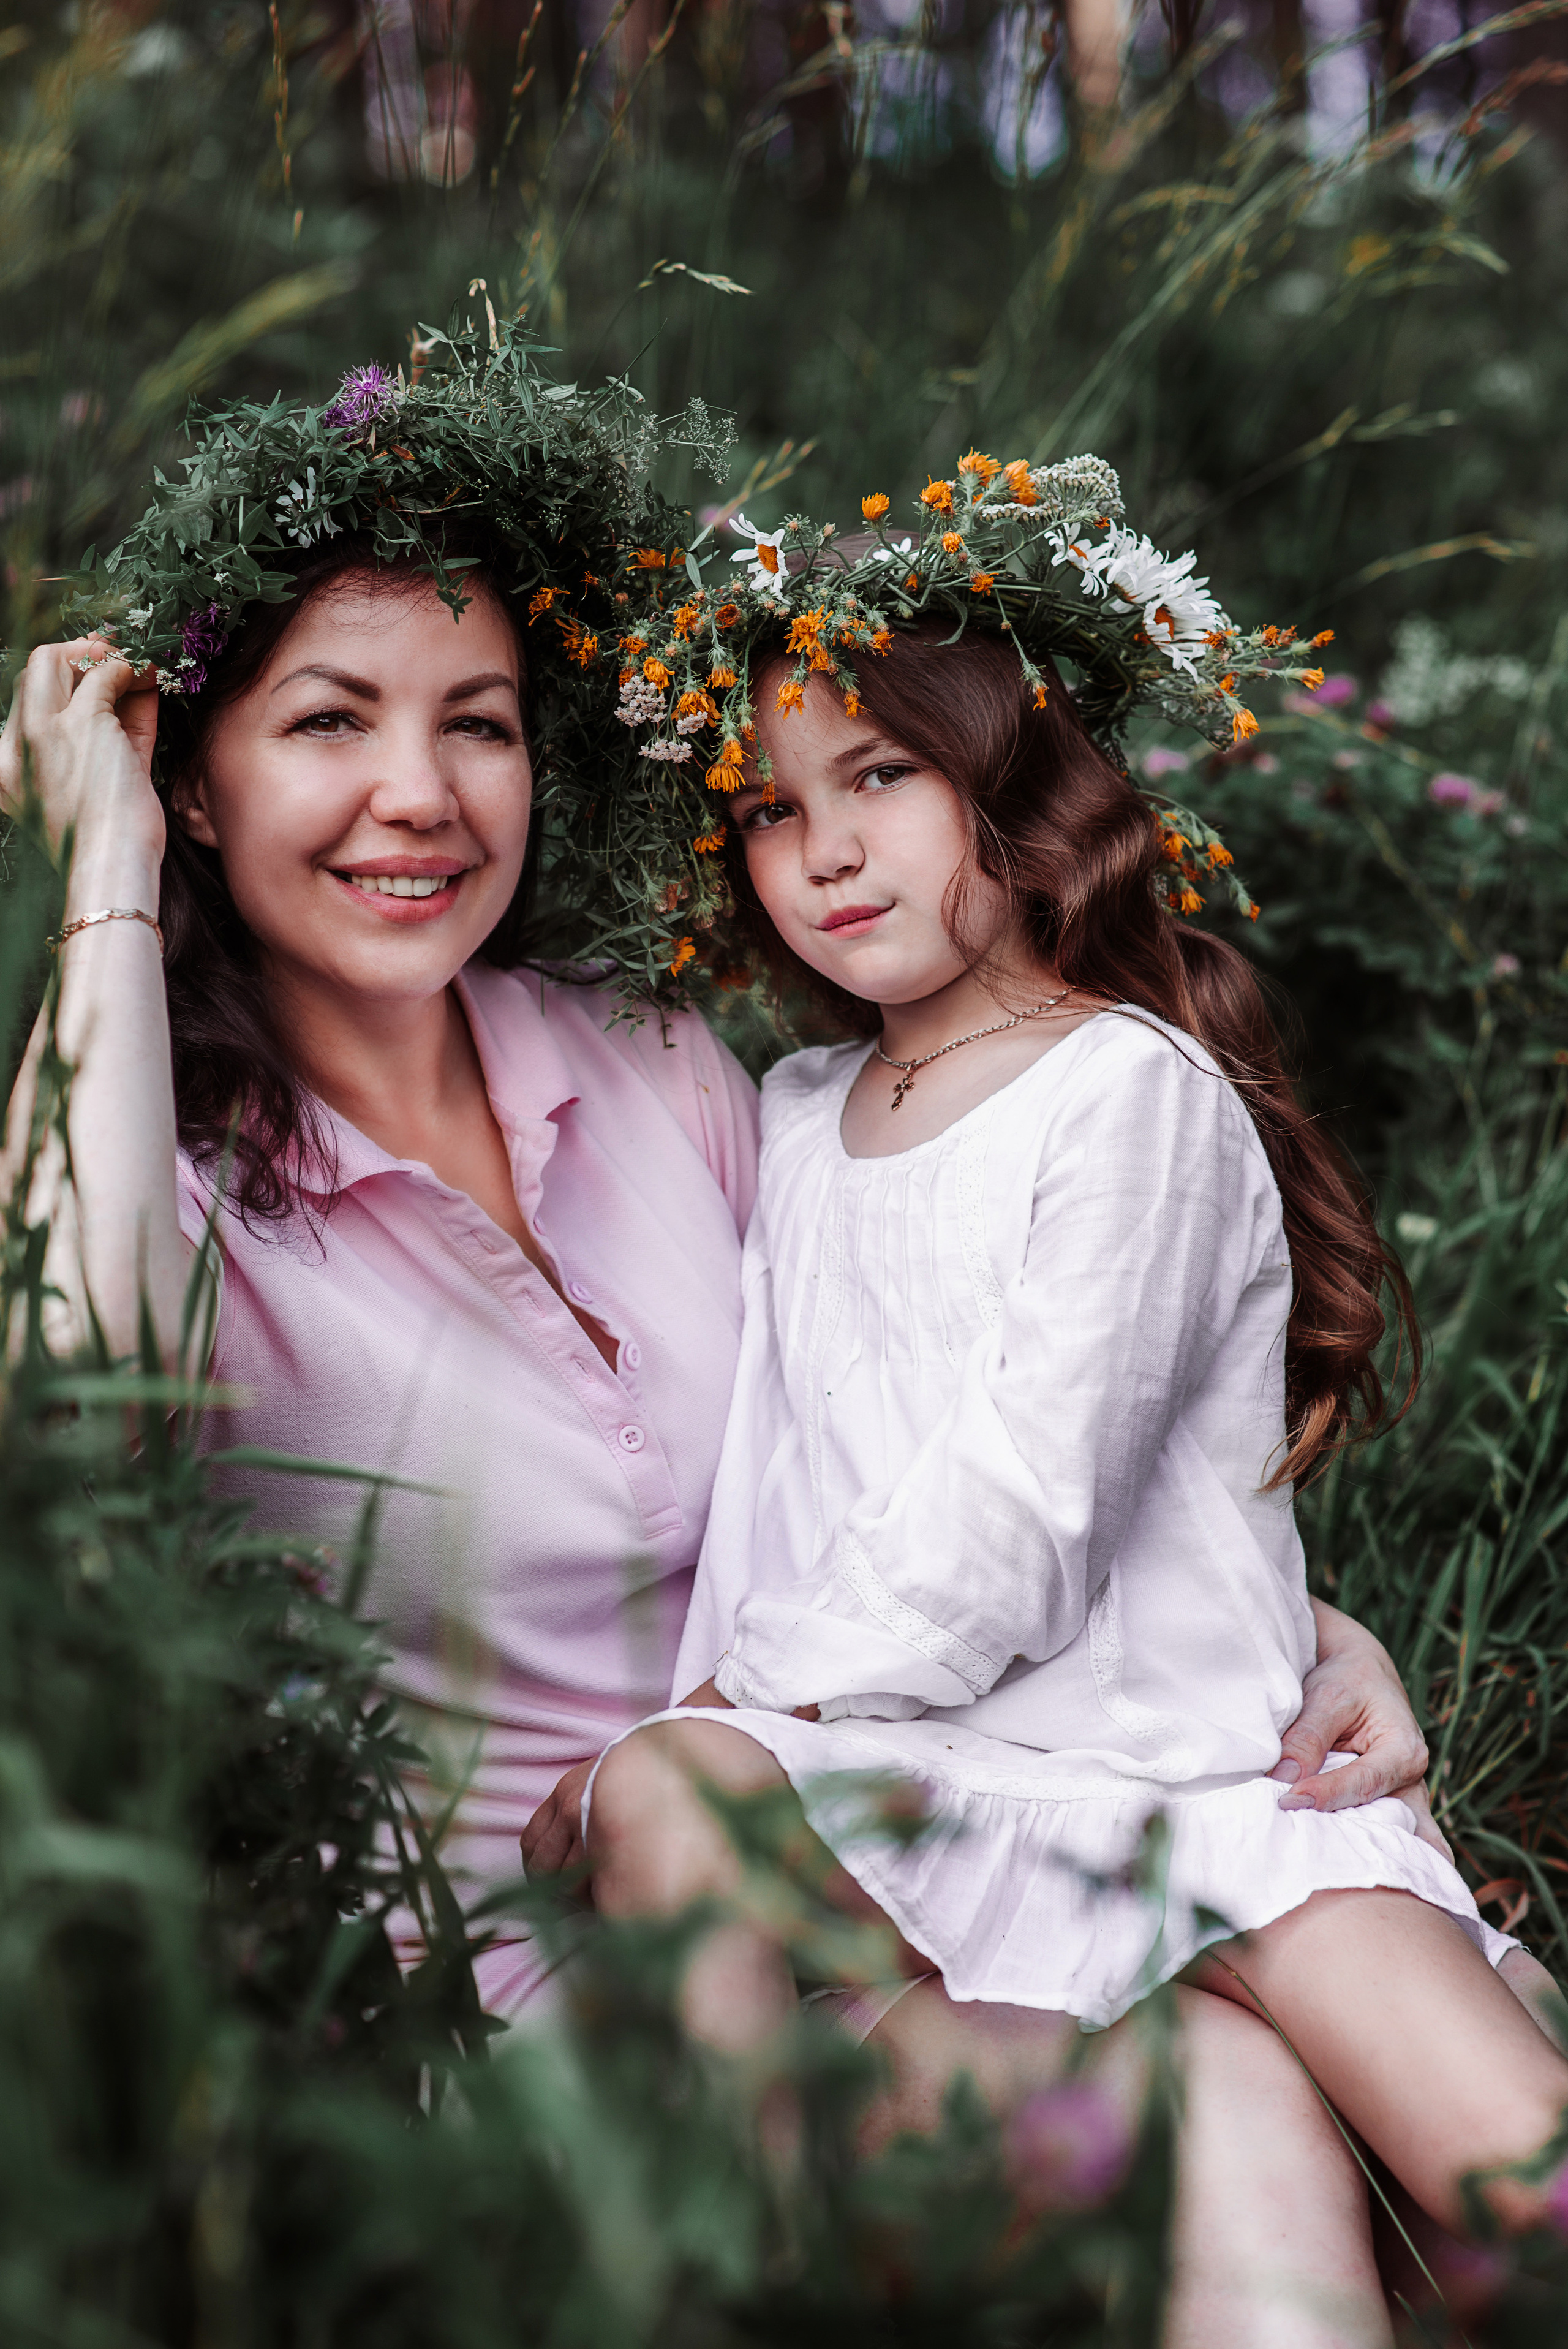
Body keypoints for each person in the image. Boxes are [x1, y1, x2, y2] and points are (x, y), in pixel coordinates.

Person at [0, 374, 1495, 2348]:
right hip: (555, 1989)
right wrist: (105, 871)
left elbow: (962, 1415)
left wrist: (1300, 1623)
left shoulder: (663, 1076)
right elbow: (66, 1366)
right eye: (327, 723)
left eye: (480, 724)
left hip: (896, 1856)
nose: (421, 795)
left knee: (1290, 2089)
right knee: (1242, 2109)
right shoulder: (168, 1187)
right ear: (203, 780)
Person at [584, 613, 1568, 2283]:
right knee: (673, 1792)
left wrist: (747, 1695)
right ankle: (727, 2289)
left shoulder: (1133, 1089)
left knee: (1524, 2192)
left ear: (1013, 778)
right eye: (765, 806)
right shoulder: (800, 1111)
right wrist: (695, 1744)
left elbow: (1032, 1512)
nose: (822, 848)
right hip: (943, 1800)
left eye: (881, 776)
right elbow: (795, 1466)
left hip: (1204, 1791)